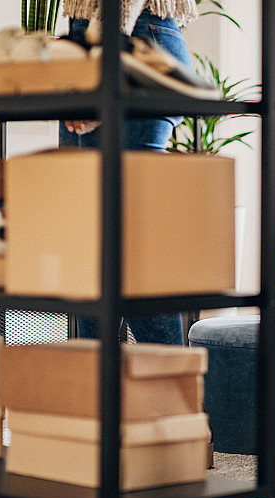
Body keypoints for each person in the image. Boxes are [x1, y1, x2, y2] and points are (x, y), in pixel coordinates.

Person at [59, 0, 199, 345]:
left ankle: (169, 391)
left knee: (125, 255)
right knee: (94, 255)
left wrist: (104, 65)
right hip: (112, 41)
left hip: (128, 43)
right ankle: (102, 390)